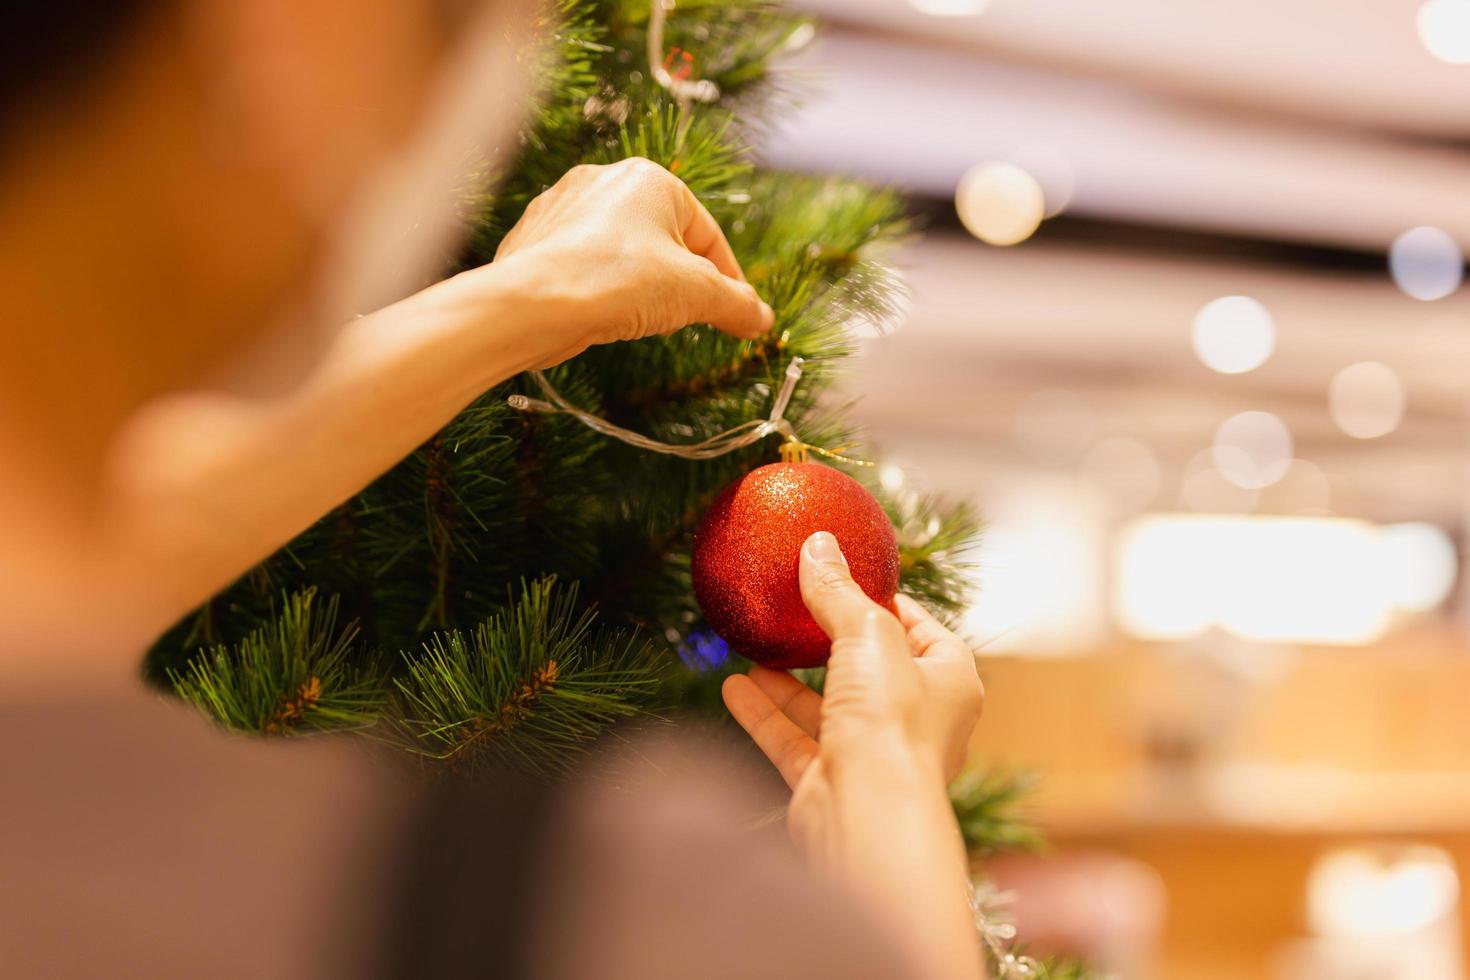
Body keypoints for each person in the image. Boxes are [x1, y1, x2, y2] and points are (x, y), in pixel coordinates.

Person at [0, 2, 987, 978]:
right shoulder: (609, 912)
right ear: (277, 29)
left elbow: (142, 515)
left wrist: (529, 296)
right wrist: (891, 807)